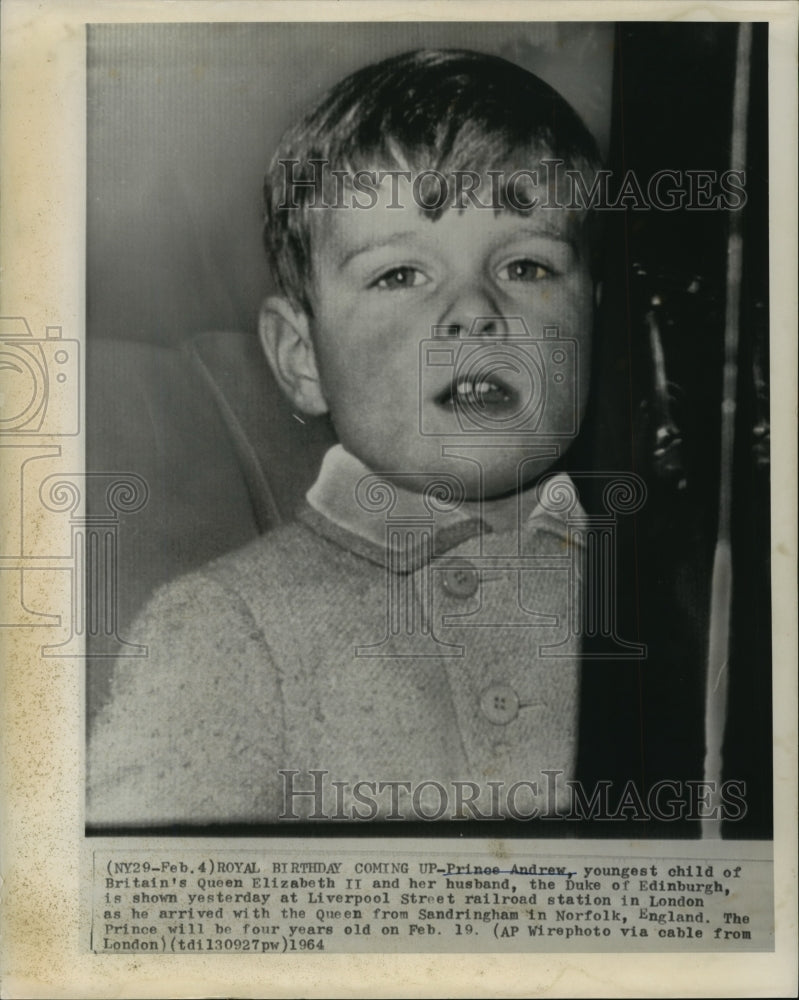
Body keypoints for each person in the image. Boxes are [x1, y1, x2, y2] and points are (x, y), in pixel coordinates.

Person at [87, 48, 603, 826]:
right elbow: (137, 916)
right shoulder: (225, 627)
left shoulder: (679, 591)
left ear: (596, 322)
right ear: (303, 359)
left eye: (527, 265)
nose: (474, 311)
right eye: (400, 275)